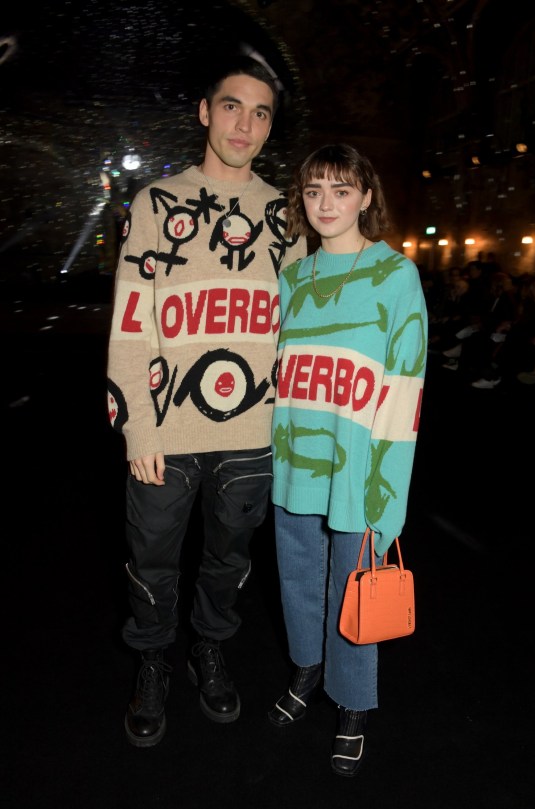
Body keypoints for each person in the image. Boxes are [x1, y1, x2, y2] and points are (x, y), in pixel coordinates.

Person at [106, 53, 306, 747]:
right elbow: (131, 323)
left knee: (229, 558)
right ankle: (154, 660)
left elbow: (311, 322)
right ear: (204, 111)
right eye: (232, 106)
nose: (244, 124)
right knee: (154, 557)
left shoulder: (286, 213)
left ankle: (209, 648)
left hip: (254, 428)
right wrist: (136, 426)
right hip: (166, 426)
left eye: (260, 113)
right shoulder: (157, 204)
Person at [267, 144, 427, 777]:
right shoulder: (293, 277)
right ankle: (308, 668)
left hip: (358, 466)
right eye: (313, 191)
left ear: (366, 196)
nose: (326, 203)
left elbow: (406, 383)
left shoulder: (396, 274)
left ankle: (353, 703)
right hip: (294, 461)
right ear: (301, 203)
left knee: (354, 589)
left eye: (340, 189)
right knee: (298, 578)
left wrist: (388, 489)